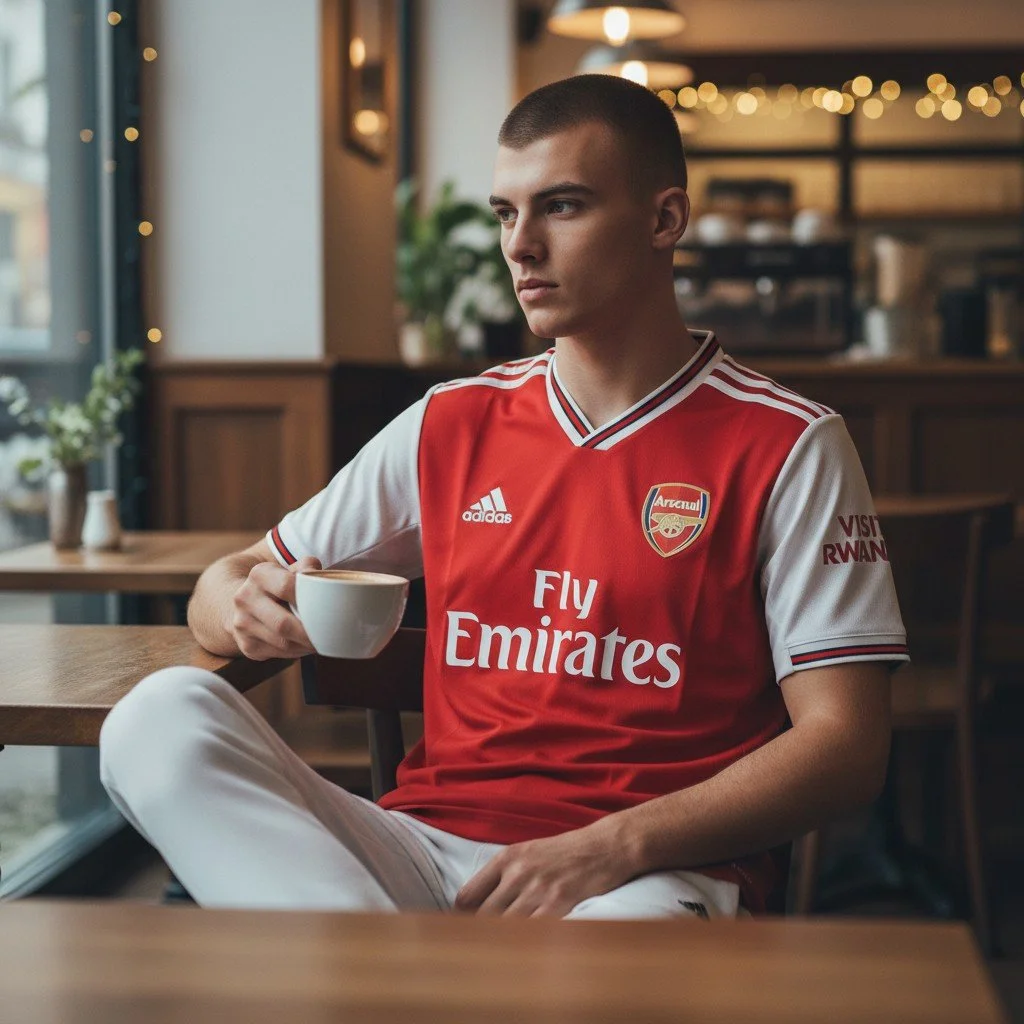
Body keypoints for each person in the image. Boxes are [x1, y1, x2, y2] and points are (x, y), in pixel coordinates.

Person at [99, 74, 907, 920]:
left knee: (610, 956)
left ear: (665, 220)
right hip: (425, 848)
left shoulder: (790, 441)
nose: (520, 246)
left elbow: (846, 745)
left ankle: (354, 983)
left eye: (561, 206)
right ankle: (378, 975)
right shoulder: (451, 421)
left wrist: (609, 847)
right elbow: (226, 580)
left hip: (642, 872)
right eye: (504, 213)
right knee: (155, 718)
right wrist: (236, 605)